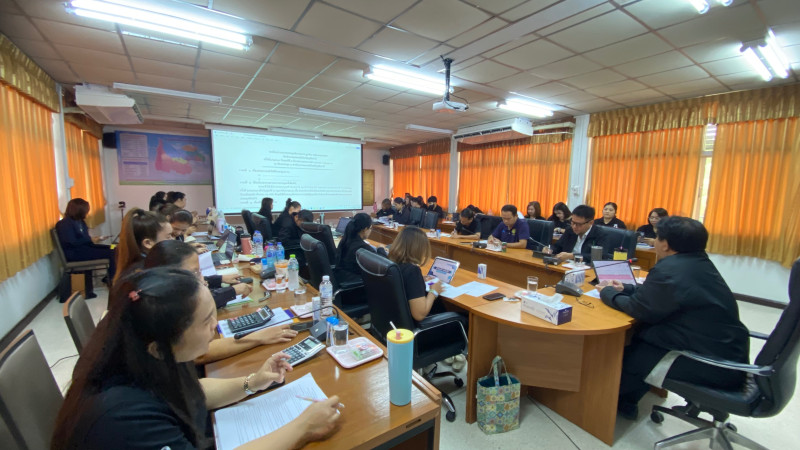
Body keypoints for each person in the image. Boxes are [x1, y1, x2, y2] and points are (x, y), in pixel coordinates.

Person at [51, 268, 340, 449]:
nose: (216, 327)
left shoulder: (144, 359)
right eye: (206, 321)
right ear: (158, 348)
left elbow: (193, 391)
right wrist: (303, 426)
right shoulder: (124, 417)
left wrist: (254, 382)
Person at [598, 216, 749, 420]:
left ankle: (617, 402)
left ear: (666, 244)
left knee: (629, 353)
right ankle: (628, 399)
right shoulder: (698, 262)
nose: (655, 242)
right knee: (642, 335)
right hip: (729, 352)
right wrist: (627, 288)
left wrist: (607, 293)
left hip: (709, 363)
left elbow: (638, 309)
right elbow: (669, 294)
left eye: (657, 237)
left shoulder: (668, 269)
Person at [142, 241, 297, 366]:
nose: (202, 278)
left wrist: (251, 383)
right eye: (195, 273)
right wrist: (257, 337)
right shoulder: (166, 310)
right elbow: (201, 354)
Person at [387, 227, 466, 370]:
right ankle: (458, 355)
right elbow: (419, 314)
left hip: (396, 326)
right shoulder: (412, 271)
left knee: (439, 305)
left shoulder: (392, 264)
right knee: (464, 318)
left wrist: (420, 281)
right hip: (417, 334)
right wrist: (434, 291)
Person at [143, 240, 253, 311]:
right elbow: (203, 304)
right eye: (195, 272)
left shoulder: (158, 286)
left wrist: (220, 279)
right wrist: (233, 291)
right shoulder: (167, 305)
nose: (201, 277)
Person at [55, 198, 116, 295]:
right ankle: (112, 278)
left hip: (86, 248)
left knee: (114, 248)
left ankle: (110, 276)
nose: (87, 213)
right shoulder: (64, 224)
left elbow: (85, 238)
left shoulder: (81, 222)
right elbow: (71, 241)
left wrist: (93, 239)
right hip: (76, 253)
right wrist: (90, 240)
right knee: (112, 252)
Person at [113, 208, 173, 283]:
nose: (172, 239)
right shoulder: (145, 274)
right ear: (148, 243)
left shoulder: (148, 265)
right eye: (168, 236)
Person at [334, 213, 385, 285]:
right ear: (365, 229)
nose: (371, 231)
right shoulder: (362, 248)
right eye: (370, 228)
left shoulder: (345, 240)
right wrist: (380, 249)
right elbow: (383, 265)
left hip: (341, 278)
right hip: (355, 284)